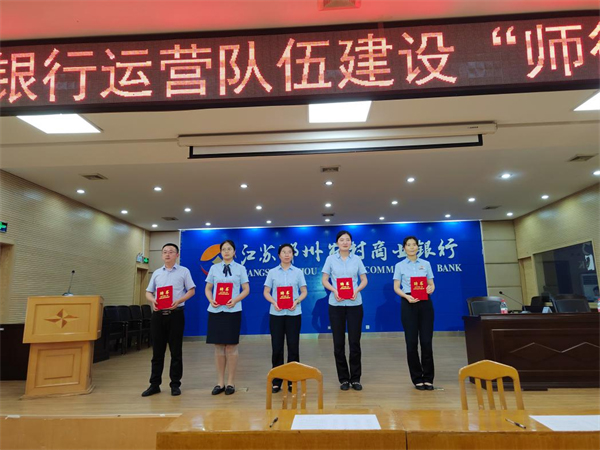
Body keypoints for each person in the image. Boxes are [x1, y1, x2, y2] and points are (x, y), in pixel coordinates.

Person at [142, 243, 196, 397]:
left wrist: (179, 301)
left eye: (171, 252)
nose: (167, 254)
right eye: (165, 252)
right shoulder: (157, 273)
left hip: (176, 315)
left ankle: (175, 384)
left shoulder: (184, 271)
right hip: (158, 315)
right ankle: (154, 384)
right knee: (157, 352)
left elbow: (191, 290)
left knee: (176, 351)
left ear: (177, 255)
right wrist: (153, 300)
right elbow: (148, 292)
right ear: (161, 255)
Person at [321, 230, 368, 391]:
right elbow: (324, 280)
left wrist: (357, 290)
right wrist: (334, 290)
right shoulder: (330, 259)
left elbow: (364, 279)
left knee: (354, 342)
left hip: (355, 303)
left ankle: (355, 378)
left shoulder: (357, 259)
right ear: (337, 243)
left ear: (351, 243)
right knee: (338, 343)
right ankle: (343, 379)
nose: (345, 242)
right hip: (336, 304)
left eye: (348, 240)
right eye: (342, 240)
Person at [204, 240, 249, 395]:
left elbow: (246, 289)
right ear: (220, 252)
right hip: (216, 310)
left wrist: (235, 300)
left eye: (229, 249)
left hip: (233, 310)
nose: (226, 251)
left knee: (231, 346)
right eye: (223, 249)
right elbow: (208, 288)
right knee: (218, 346)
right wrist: (211, 299)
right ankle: (220, 382)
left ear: (234, 252)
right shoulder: (214, 268)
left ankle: (230, 382)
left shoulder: (241, 268)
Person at [393, 236, 436, 391]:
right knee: (411, 342)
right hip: (408, 303)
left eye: (414, 244)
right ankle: (417, 378)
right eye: (408, 245)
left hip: (425, 303)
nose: (411, 247)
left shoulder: (426, 264)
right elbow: (396, 287)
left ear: (418, 247)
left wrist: (430, 288)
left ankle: (428, 378)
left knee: (426, 342)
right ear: (404, 248)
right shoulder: (399, 265)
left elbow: (431, 284)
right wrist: (406, 296)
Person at [264, 243, 308, 393]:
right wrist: (274, 302)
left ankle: (292, 380)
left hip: (293, 314)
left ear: (293, 255)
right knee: (277, 347)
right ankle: (277, 380)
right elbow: (266, 292)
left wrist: (296, 301)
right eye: (284, 252)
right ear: (279, 255)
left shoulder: (298, 272)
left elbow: (304, 291)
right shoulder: (272, 272)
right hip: (276, 314)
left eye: (290, 252)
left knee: (293, 347)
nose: (287, 254)